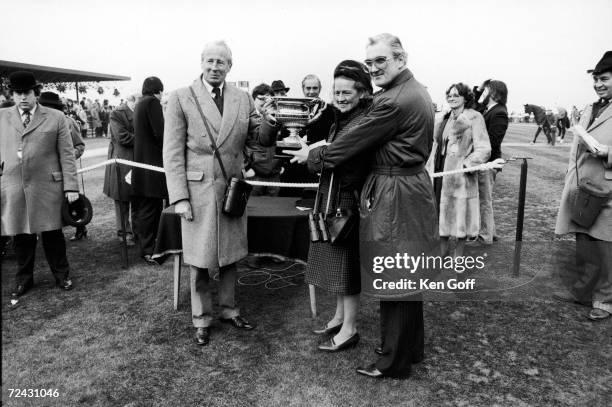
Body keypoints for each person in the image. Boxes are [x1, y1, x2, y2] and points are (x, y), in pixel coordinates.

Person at [286, 33, 438, 379]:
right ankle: (409, 350)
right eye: (370, 63)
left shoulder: (394, 100)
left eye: (380, 61)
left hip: (396, 191)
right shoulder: (412, 91)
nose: (374, 68)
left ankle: (392, 361)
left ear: (402, 58)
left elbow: (346, 146)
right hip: (408, 187)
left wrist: (312, 156)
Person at [163, 40, 277, 346]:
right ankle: (201, 318)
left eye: (222, 62)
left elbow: (259, 139)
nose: (215, 67)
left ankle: (229, 310)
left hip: (230, 190)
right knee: (199, 260)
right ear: (201, 62)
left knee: (230, 256)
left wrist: (269, 118)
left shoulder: (242, 98)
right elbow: (171, 153)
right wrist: (180, 197)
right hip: (198, 192)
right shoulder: (181, 98)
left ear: (230, 66)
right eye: (210, 61)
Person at [304, 60, 373, 352]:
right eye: (337, 92)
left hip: (347, 201)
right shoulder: (338, 120)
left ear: (361, 93)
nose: (341, 98)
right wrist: (320, 155)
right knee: (336, 265)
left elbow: (349, 168)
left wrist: (318, 154)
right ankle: (339, 316)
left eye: (347, 93)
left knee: (348, 267)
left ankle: (350, 328)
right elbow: (316, 161)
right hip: (330, 196)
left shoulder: (362, 122)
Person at [0, 71, 79, 297]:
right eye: (17, 93)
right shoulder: (2, 117)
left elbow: (67, 154)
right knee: (21, 236)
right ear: (12, 94)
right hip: (14, 187)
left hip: (47, 188)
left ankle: (62, 275)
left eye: (26, 92)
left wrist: (71, 187)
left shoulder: (55, 117)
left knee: (53, 235)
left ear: (36, 93)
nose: (22, 97)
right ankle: (23, 280)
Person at [554, 50, 612, 321]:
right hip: (582, 188)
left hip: (606, 189)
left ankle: (605, 301)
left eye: (605, 79)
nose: (599, 84)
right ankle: (582, 292)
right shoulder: (590, 108)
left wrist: (608, 153)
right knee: (584, 242)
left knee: (605, 247)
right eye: (596, 79)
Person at [433, 83, 491, 256]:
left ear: (466, 98)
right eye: (449, 95)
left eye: (456, 95)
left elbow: (484, 148)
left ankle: (458, 256)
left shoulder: (475, 117)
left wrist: (467, 165)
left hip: (460, 177)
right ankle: (441, 254)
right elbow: (437, 145)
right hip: (440, 173)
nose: (451, 98)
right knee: (440, 214)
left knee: (460, 217)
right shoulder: (444, 117)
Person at [38, 91, 88, 241]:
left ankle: (80, 225)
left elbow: (79, 146)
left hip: (64, 171)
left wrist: (66, 158)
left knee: (72, 201)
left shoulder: (68, 122)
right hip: (44, 173)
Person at [131, 77, 167, 263]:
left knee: (146, 209)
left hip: (142, 164)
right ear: (158, 91)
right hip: (152, 166)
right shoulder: (152, 102)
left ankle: (148, 246)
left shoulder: (139, 104)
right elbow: (161, 133)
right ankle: (148, 250)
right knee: (149, 210)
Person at [470, 79, 509, 246]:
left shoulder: (499, 112)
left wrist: (480, 161)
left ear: (494, 93)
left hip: (488, 162)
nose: (484, 94)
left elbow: (493, 142)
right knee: (485, 199)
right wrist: (478, 89)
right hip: (486, 162)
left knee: (484, 201)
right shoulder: (489, 109)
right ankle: (490, 233)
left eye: (486, 91)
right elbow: (473, 107)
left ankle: (485, 236)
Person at [103, 93, 138, 245]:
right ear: (133, 100)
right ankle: (124, 233)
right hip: (122, 161)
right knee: (122, 199)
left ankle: (138, 232)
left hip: (137, 160)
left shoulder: (140, 111)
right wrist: (145, 140)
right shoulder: (117, 113)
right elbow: (123, 137)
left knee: (138, 199)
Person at [243, 83, 283, 196]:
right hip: (254, 175)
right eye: (262, 99)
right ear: (253, 99)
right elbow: (238, 145)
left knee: (274, 209)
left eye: (269, 99)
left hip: (274, 175)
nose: (266, 102)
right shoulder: (246, 118)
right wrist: (246, 168)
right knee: (254, 209)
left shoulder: (277, 118)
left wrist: (281, 165)